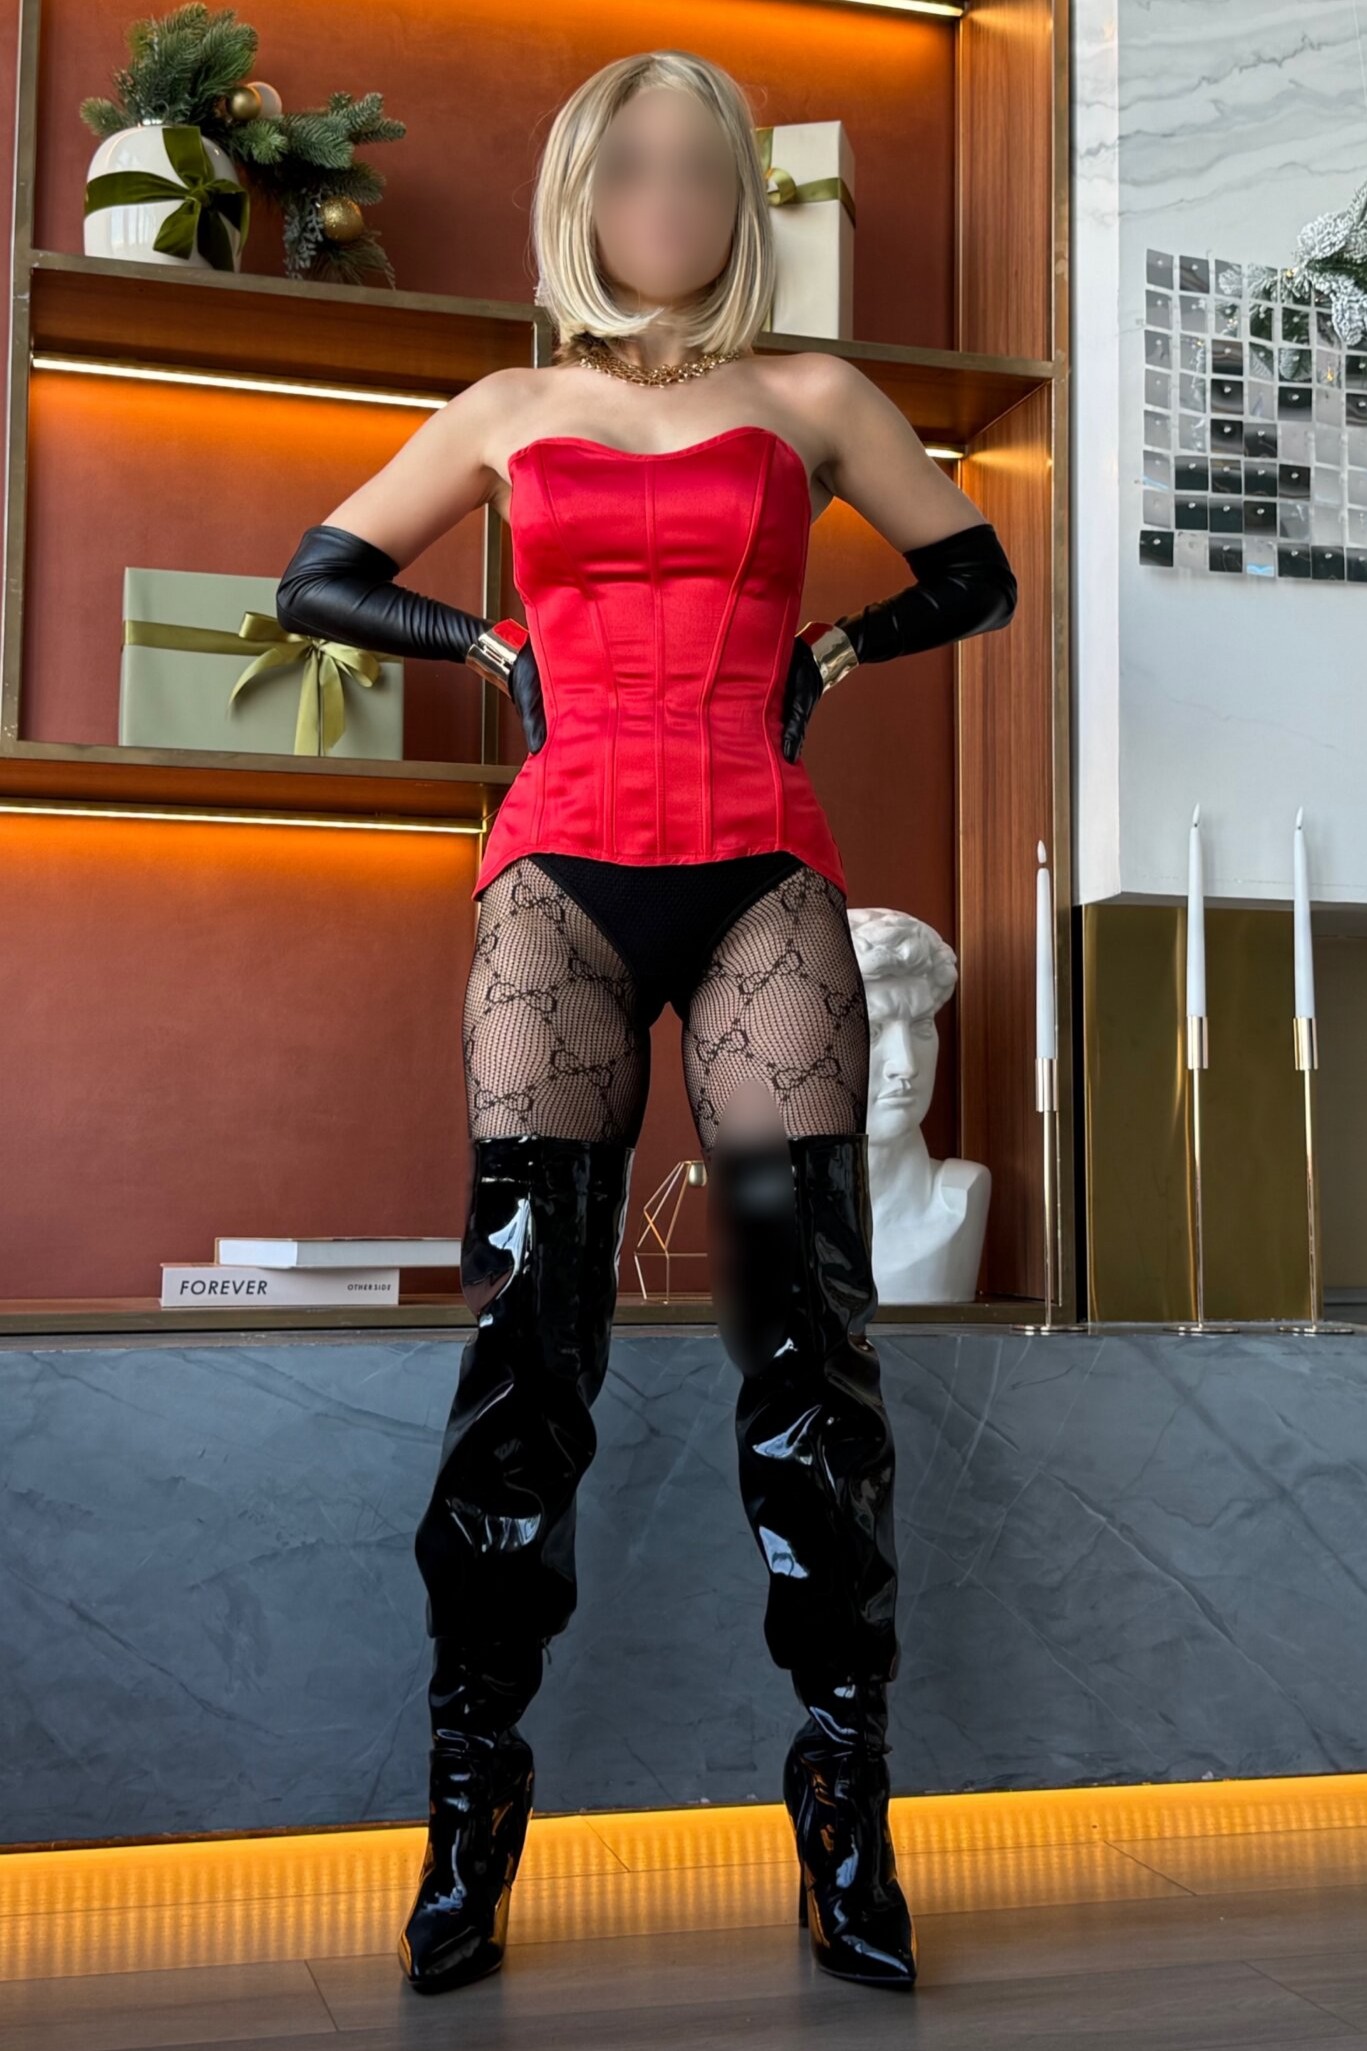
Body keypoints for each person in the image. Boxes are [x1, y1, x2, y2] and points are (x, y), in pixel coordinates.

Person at [275, 48, 1017, 1997]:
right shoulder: (509, 408)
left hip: (761, 862)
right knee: (529, 1346)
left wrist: (837, 645)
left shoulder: (813, 395)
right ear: (583, 196)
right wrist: (483, 639)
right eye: (632, 167)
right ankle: (470, 1812)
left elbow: (977, 571)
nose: (667, 198)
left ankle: (846, 1815)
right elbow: (319, 575)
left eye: (701, 166)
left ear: (739, 197)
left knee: (814, 1350)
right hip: (562, 870)